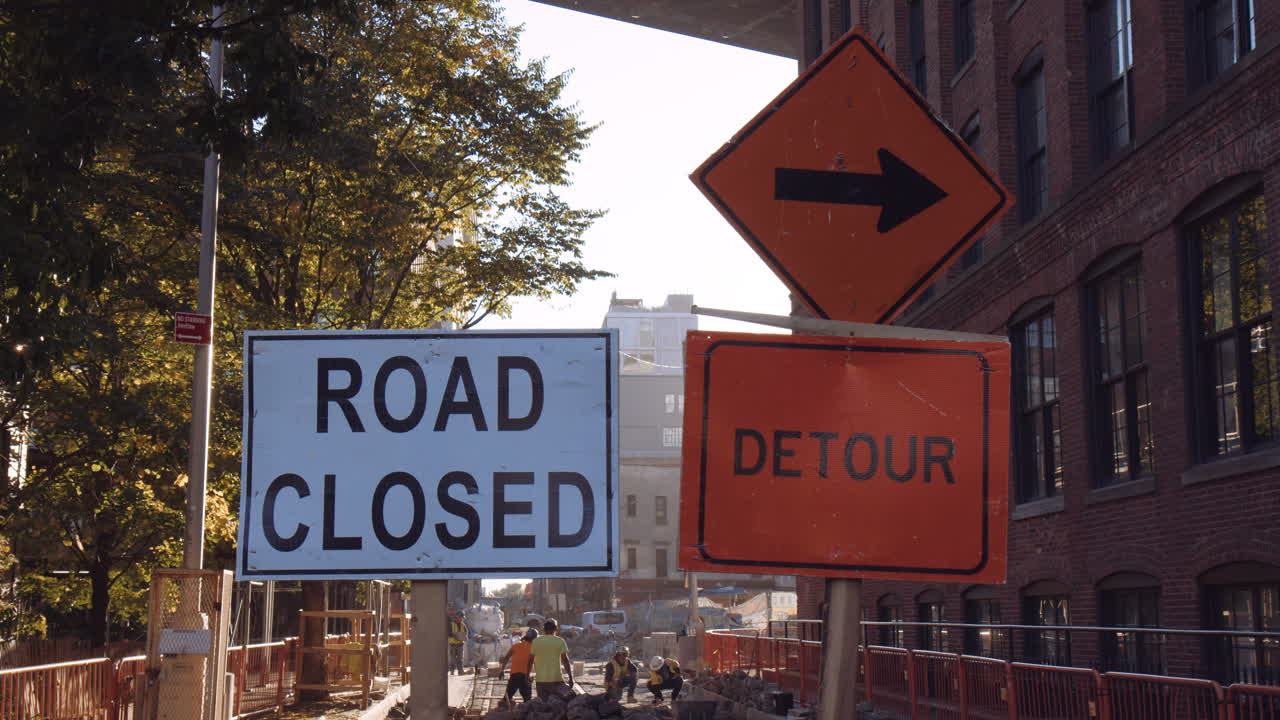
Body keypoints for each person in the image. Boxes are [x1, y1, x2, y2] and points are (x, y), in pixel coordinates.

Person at [530, 618, 574, 699]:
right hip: (556, 680)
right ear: (555, 630)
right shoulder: (560, 641)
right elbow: (565, 660)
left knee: (543, 707)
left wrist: (527, 676)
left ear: (543, 630)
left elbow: (530, 661)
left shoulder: (536, 641)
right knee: (560, 704)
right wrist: (571, 677)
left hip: (540, 681)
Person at [497, 629, 537, 705]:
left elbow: (506, 658)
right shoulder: (533, 648)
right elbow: (530, 663)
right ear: (534, 639)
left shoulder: (515, 646)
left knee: (507, 698)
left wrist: (502, 670)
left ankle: (505, 707)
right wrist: (528, 677)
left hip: (514, 675)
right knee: (527, 700)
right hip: (524, 675)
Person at [447, 608, 468, 675]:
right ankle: (452, 671)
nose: (462, 619)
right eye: (461, 618)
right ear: (457, 617)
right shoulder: (451, 624)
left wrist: (464, 637)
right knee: (452, 659)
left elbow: (465, 633)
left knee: (460, 659)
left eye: (462, 618)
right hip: (452, 644)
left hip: (460, 644)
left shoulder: (463, 625)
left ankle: (460, 671)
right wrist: (454, 635)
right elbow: (448, 633)